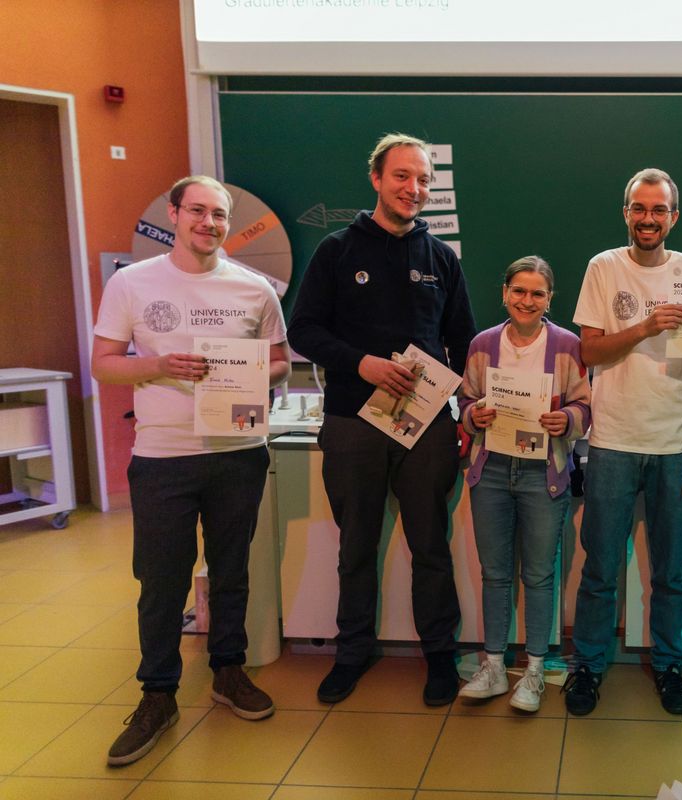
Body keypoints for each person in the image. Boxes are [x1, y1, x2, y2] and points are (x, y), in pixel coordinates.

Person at [93, 175, 291, 766]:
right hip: (164, 458)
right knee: (162, 582)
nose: (209, 222)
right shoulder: (131, 282)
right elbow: (103, 365)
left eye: (220, 214)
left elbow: (282, 362)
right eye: (198, 211)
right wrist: (156, 364)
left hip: (238, 451)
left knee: (232, 570)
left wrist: (256, 375)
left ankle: (228, 673)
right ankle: (158, 695)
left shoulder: (255, 289)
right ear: (175, 214)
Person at [288, 132, 477, 706]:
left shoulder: (441, 257)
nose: (413, 188)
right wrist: (362, 364)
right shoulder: (337, 250)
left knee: (431, 546)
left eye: (423, 180)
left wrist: (466, 405)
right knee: (356, 547)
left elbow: (463, 340)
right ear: (376, 179)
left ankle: (439, 656)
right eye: (402, 176)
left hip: (427, 428)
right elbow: (304, 331)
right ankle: (351, 653)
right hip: (352, 420)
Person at [563, 168, 682, 716]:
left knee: (671, 571)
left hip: (675, 446)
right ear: (625, 211)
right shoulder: (604, 267)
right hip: (612, 442)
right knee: (601, 567)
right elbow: (592, 352)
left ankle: (670, 665)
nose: (648, 219)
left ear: (674, 216)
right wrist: (647, 327)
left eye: (659, 210)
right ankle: (587, 668)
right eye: (639, 208)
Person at [457, 256, 591, 712]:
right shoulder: (481, 344)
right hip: (491, 471)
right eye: (519, 290)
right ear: (504, 293)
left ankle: (534, 669)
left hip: (543, 474)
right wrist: (473, 414)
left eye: (537, 293)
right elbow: (466, 399)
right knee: (495, 573)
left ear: (550, 299)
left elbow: (584, 407)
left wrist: (566, 419)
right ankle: (493, 664)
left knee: (538, 575)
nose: (526, 300)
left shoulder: (568, 346)